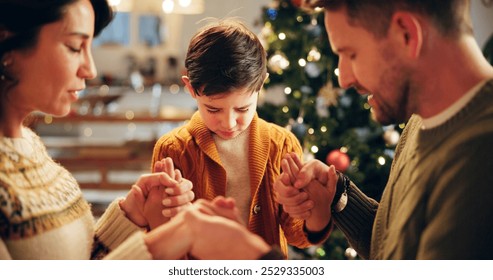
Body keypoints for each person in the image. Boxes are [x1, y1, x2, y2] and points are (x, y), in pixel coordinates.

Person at [274, 0, 493, 259]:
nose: (344, 79)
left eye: (351, 53)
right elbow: (398, 250)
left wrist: (254, 263)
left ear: (407, 35)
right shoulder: (420, 121)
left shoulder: (481, 155)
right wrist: (336, 195)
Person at [0, 0, 197, 259]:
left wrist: (131, 214)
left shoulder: (28, 143)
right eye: (74, 47)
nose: (90, 69)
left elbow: (75, 261)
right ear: (7, 46)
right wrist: (159, 246)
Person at [151, 18, 331, 258]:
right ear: (191, 88)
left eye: (243, 109)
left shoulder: (282, 144)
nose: (228, 123)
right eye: (213, 109)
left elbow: (296, 234)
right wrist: (162, 216)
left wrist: (317, 215)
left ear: (260, 86)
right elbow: (159, 241)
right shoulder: (172, 149)